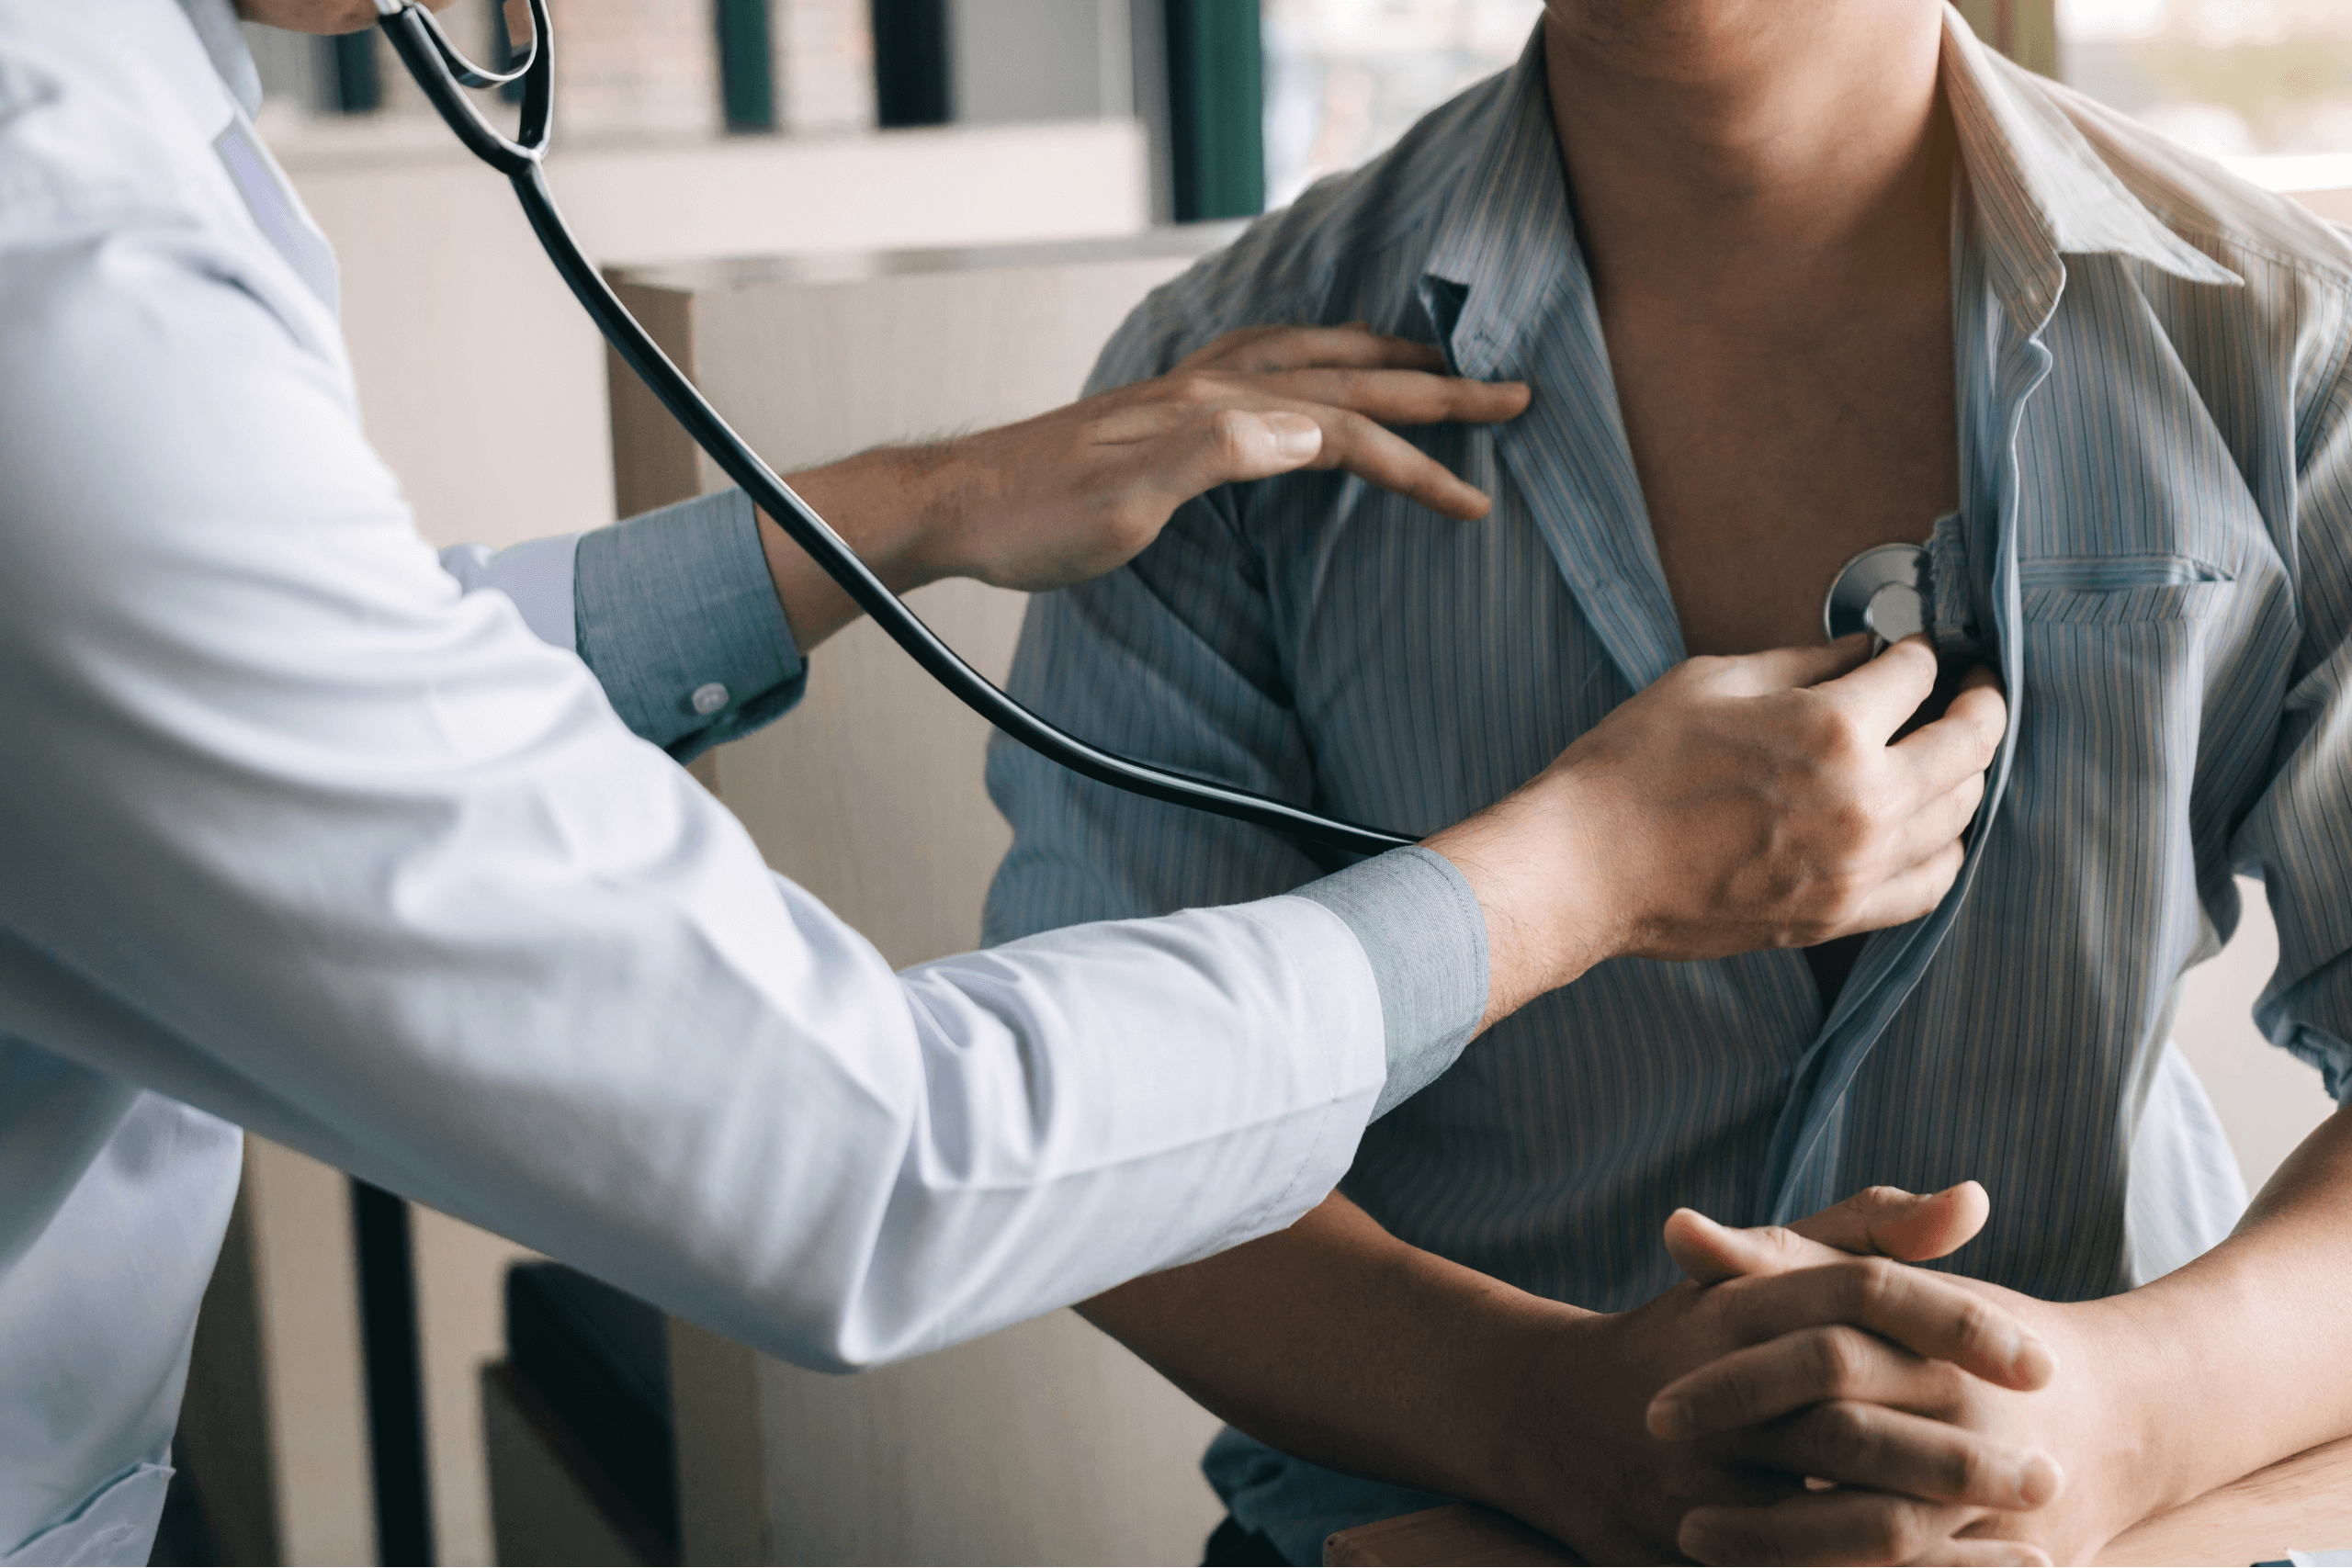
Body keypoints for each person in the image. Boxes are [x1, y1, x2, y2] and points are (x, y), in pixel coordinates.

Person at [0, 0, 2020, 1562]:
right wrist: (1577, 873)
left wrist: (921, 509)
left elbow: (311, 716)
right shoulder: (57, 277)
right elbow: (862, 1159)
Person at [983, 0, 2352, 1562]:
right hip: (1444, 1517)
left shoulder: (2293, 352)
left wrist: (2128, 1410)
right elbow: (1093, 1136)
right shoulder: (1213, 392)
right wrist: (1535, 1407)